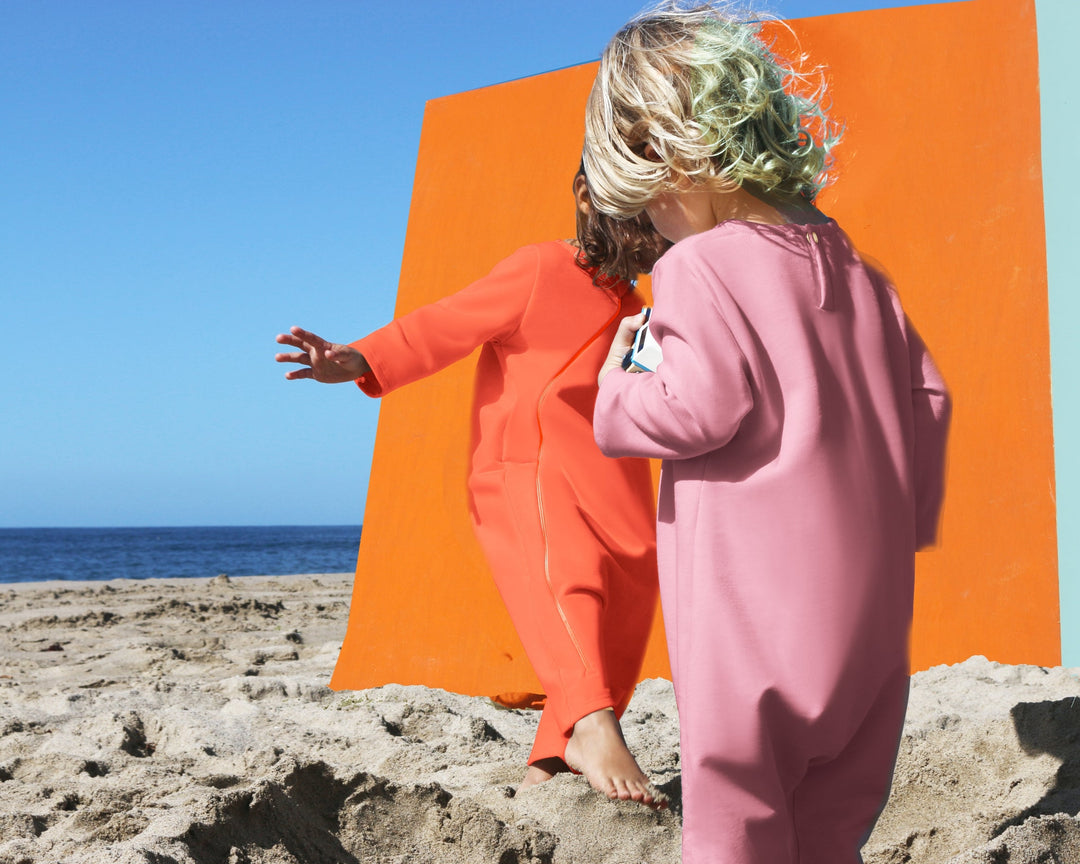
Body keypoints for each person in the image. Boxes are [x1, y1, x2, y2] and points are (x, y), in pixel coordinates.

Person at [583, 3, 951, 861]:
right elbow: (927, 398)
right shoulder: (860, 271)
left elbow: (698, 409)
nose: (652, 227)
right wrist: (904, 522)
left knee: (735, 820)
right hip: (868, 617)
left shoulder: (698, 266)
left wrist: (615, 390)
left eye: (647, 206)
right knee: (832, 828)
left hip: (750, 621)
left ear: (664, 153)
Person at [274, 166, 670, 806]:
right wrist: (361, 358)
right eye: (641, 217)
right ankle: (594, 725)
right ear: (587, 198)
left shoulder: (638, 307)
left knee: (631, 591)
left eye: (663, 221)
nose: (653, 235)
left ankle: (553, 757)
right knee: (569, 582)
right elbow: (448, 321)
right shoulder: (541, 268)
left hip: (613, 476)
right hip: (531, 466)